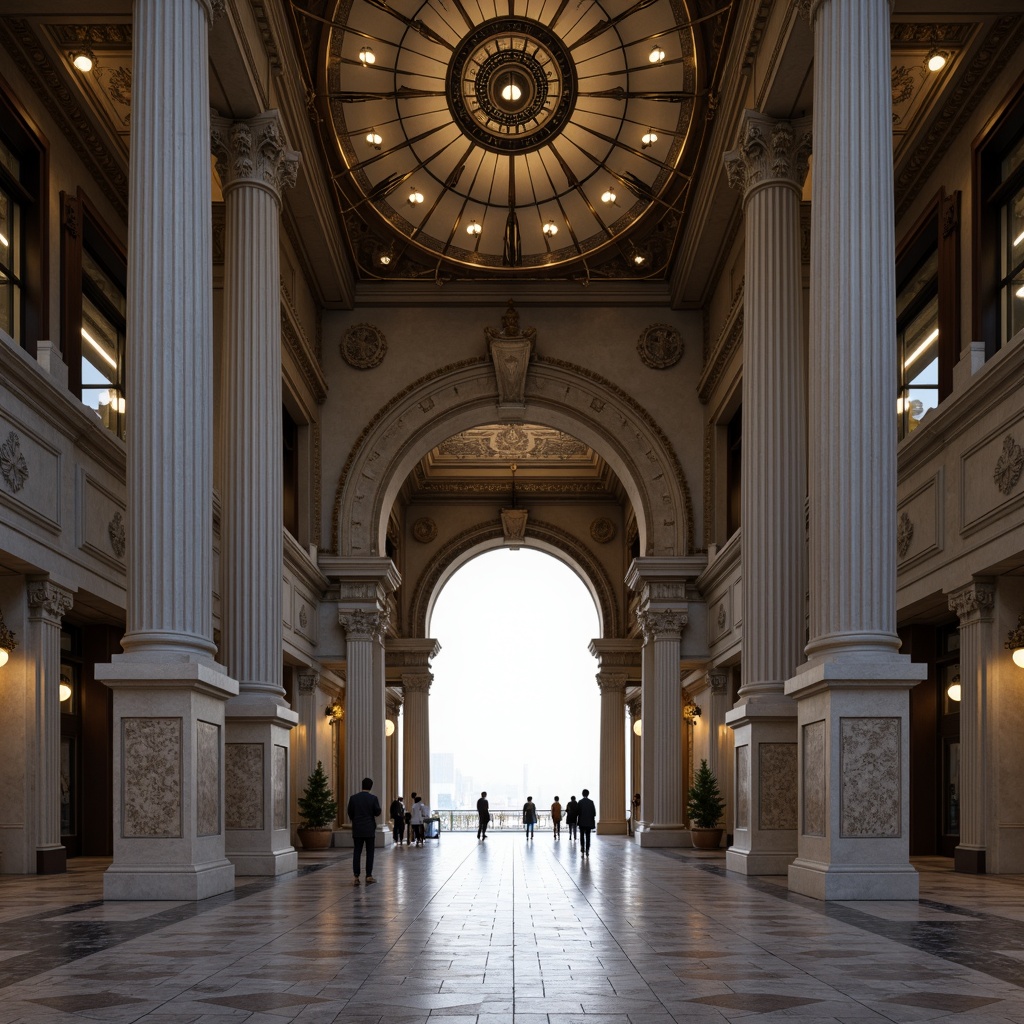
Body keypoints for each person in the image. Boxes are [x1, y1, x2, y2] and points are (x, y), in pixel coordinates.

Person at [347, 777, 381, 884]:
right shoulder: (373, 798)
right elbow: (377, 812)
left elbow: (350, 812)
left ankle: (356, 876)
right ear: (371, 786)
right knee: (370, 852)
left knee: (357, 851)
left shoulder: (353, 798)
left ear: (362, 785)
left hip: (357, 829)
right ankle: (368, 875)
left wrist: (356, 820)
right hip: (369, 829)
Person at [577, 788, 597, 857]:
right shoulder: (591, 802)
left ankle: (582, 847)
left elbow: (577, 812)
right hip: (589, 822)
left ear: (582, 794)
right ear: (588, 794)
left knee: (582, 835)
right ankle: (587, 849)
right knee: (588, 836)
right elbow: (594, 813)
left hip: (582, 822)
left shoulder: (580, 802)